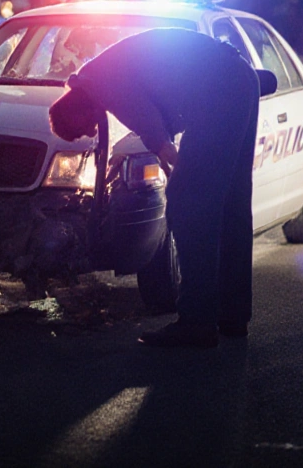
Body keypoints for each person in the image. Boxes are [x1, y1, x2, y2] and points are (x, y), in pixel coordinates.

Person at [48, 28, 261, 348]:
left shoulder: (100, 82)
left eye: (82, 129)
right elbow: (160, 116)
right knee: (231, 204)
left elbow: (148, 121)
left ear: (77, 111)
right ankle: (232, 315)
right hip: (239, 77)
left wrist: (175, 166)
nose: (90, 131)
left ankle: (196, 322)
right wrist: (172, 157)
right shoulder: (103, 73)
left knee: (187, 205)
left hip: (217, 90)